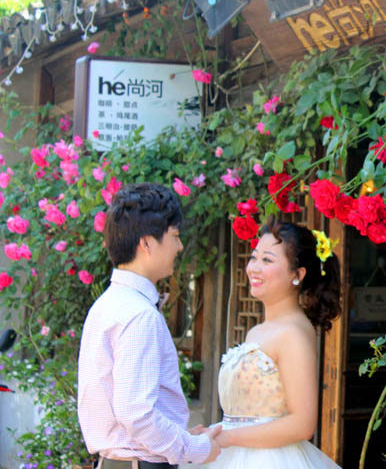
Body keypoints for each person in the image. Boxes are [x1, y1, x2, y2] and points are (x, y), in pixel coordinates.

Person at [78, 182, 223, 469]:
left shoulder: (107, 305)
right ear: (146, 243)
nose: (179, 247)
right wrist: (195, 447)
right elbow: (136, 414)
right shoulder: (139, 314)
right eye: (175, 236)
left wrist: (178, 436)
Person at [187, 217, 342, 468]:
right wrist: (215, 431)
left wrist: (227, 437)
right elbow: (254, 415)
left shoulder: (293, 332)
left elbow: (302, 423)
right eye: (254, 257)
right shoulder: (258, 332)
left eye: (267, 260)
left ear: (297, 274)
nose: (254, 268)